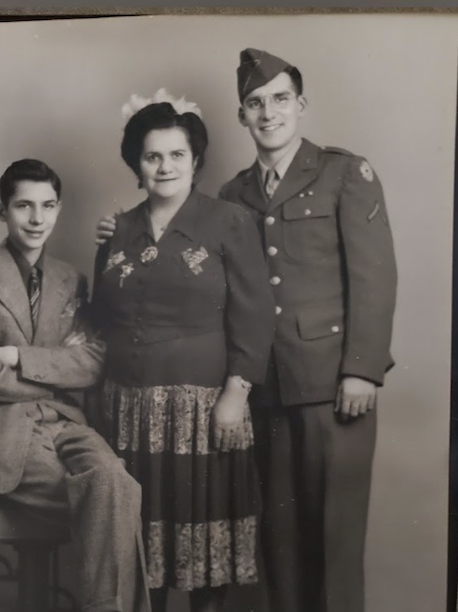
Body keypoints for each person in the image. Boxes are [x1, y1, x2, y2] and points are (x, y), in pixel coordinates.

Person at [96, 50, 398, 612]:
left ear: (300, 105)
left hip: (330, 383)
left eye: (281, 99)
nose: (269, 113)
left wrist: (362, 368)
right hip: (264, 390)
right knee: (276, 546)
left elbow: (375, 277)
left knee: (333, 538)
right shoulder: (233, 197)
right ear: (241, 115)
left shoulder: (342, 174)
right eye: (256, 103)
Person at [91, 91, 275, 612]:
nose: (165, 166)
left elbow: (255, 313)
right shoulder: (117, 229)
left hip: (203, 407)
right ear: (137, 164)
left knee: (200, 552)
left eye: (177, 155)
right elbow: (101, 314)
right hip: (127, 411)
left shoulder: (228, 222)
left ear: (196, 161)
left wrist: (236, 394)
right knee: (139, 547)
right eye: (153, 156)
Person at [0, 158, 151, 612]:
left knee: (113, 483)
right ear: (2, 211)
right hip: (2, 435)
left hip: (65, 424)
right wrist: (53, 375)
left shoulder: (70, 280)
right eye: (24, 206)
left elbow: (91, 363)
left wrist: (19, 358)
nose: (38, 219)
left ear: (59, 209)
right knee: (116, 496)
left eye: (48, 206)